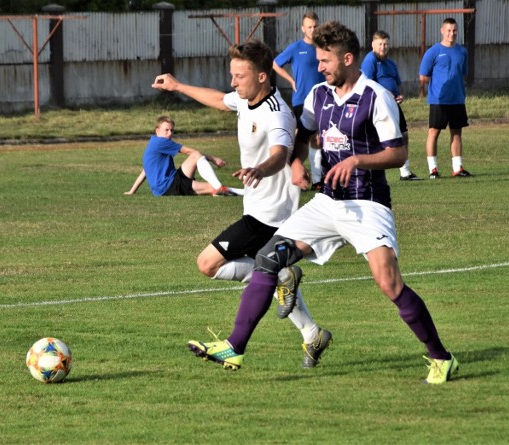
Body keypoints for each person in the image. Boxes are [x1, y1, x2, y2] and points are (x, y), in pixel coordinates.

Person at [187, 21, 458, 384]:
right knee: (269, 258)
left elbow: (398, 152)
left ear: (347, 58)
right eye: (317, 60)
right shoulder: (318, 95)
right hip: (327, 203)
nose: (319, 67)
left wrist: (357, 160)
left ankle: (442, 357)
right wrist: (297, 162)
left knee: (390, 285)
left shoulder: (375, 96)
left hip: (368, 204)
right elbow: (303, 136)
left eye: (325, 60)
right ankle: (235, 346)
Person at [152, 39, 331, 369]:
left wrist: (261, 169)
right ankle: (312, 333)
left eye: (240, 76)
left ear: (262, 77)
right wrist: (177, 86)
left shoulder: (277, 114)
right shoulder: (247, 99)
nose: (233, 82)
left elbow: (281, 153)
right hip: (257, 209)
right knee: (267, 272)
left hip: (270, 215)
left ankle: (280, 282)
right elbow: (221, 101)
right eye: (232, 75)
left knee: (208, 263)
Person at [124, 116, 243, 196]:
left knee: (197, 158)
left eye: (172, 130)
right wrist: (213, 158)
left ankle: (219, 187)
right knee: (212, 188)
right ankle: (224, 188)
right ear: (157, 130)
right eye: (166, 130)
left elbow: (145, 171)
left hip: (170, 181)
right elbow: (189, 151)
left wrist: (132, 191)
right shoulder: (161, 142)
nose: (170, 133)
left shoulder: (153, 143)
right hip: (169, 186)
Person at [273, 11, 326, 191]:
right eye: (309, 27)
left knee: (318, 139)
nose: (312, 29)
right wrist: (290, 80)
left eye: (315, 26)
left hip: (322, 99)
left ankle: (317, 179)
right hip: (301, 100)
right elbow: (275, 63)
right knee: (299, 139)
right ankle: (290, 177)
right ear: (303, 28)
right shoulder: (296, 48)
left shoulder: (324, 47)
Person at [361, 30, 421, 181]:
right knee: (378, 140)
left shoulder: (391, 64)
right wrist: (385, 95)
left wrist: (398, 96)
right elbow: (366, 85)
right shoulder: (370, 60)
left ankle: (405, 172)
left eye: (386, 44)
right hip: (378, 106)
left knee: (404, 135)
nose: (383, 47)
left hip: (393, 105)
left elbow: (395, 85)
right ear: (373, 45)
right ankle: (369, 173)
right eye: (380, 44)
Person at [419, 17, 472, 179]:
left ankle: (457, 168)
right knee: (434, 132)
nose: (452, 34)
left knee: (456, 133)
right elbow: (423, 76)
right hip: (438, 101)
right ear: (442, 31)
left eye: (454, 30)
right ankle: (433, 169)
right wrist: (438, 85)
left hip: (457, 99)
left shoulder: (462, 52)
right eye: (448, 30)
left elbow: (462, 73)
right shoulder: (433, 52)